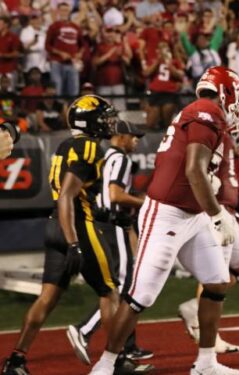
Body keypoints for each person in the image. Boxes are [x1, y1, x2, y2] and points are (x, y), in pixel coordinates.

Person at [88, 66, 239, 375]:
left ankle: (206, 363)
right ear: (226, 92)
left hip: (193, 212)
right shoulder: (205, 111)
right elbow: (193, 170)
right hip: (167, 213)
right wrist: (218, 216)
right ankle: (105, 365)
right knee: (141, 295)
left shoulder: (203, 113)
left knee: (216, 284)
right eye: (237, 97)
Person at [0, 96, 138, 374]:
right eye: (104, 116)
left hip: (54, 224)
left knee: (47, 298)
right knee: (110, 292)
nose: (109, 121)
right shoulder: (89, 147)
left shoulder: (66, 144)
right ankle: (115, 360)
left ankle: (16, 360)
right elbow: (67, 196)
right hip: (77, 225)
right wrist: (74, 242)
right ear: (89, 120)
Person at [65, 120, 152, 366]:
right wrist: (144, 203)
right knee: (125, 285)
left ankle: (128, 346)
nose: (136, 141)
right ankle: (84, 329)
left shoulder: (104, 156)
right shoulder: (121, 159)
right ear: (121, 136)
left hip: (100, 222)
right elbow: (114, 195)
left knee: (122, 283)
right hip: (113, 224)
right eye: (133, 136)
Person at [178, 109, 239, 355]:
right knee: (215, 276)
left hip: (230, 209)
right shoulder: (211, 135)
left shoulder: (229, 143)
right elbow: (195, 168)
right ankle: (207, 338)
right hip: (216, 211)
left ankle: (194, 307)